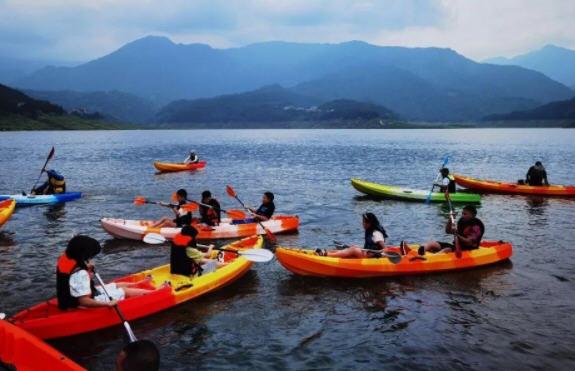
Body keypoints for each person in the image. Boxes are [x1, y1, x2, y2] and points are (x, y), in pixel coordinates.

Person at [56, 235, 156, 310]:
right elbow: (84, 300)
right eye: (91, 256)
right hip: (80, 304)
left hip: (68, 298)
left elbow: (70, 276)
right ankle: (155, 294)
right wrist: (107, 304)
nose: (91, 258)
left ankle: (138, 284)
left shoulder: (65, 256)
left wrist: (86, 267)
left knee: (115, 285)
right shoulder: (80, 274)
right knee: (124, 291)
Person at [418, 205, 484, 255]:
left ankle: (431, 259)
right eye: (462, 213)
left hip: (469, 249)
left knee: (447, 249)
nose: (463, 216)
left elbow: (469, 242)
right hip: (457, 246)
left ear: (473, 215)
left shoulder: (476, 226)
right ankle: (422, 250)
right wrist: (450, 219)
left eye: (465, 214)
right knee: (433, 243)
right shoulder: (462, 221)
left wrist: (456, 234)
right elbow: (448, 231)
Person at [315, 213, 388, 258]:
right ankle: (327, 251)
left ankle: (327, 255)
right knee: (354, 247)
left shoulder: (376, 233)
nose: (362, 223)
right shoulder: (370, 231)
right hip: (367, 253)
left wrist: (378, 253)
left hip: (370, 257)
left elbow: (384, 248)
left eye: (363, 222)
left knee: (353, 249)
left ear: (369, 224)